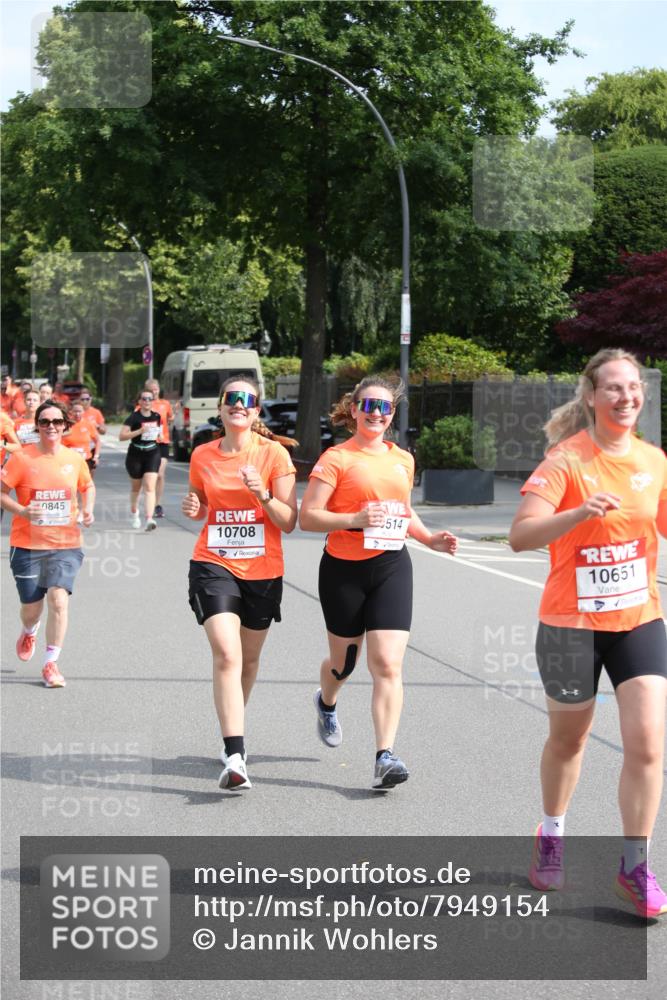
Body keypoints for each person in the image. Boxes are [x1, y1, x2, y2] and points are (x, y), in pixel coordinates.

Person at [509, 348, 667, 918]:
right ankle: (551, 833)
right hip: (569, 626)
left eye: (634, 386)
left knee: (648, 744)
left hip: (637, 619)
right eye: (614, 388)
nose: (626, 396)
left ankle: (635, 867)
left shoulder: (654, 460)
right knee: (570, 740)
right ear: (592, 396)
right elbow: (520, 536)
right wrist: (577, 514)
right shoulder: (566, 460)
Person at [299, 376, 458, 790]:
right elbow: (308, 517)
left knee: (387, 663)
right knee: (344, 664)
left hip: (391, 566)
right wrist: (353, 519)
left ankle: (384, 756)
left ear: (392, 414)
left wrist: (429, 539)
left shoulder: (402, 459)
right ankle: (326, 700)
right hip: (343, 569)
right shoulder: (336, 458)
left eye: (384, 407)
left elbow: (403, 510)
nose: (376, 413)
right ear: (354, 410)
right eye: (368, 405)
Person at [181, 376, 297, 790]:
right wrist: (194, 507)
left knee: (247, 662)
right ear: (220, 407)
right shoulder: (202, 455)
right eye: (232, 398)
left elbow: (289, 521)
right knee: (227, 655)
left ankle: (233, 729)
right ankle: (235, 753)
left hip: (262, 571)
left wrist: (262, 494)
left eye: (247, 399)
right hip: (213, 563)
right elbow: (201, 506)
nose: (239, 404)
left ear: (256, 409)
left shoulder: (273, 454)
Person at [1, 399, 95, 687]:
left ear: (65, 425)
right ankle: (29, 629)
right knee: (32, 608)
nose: (51, 426)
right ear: (37, 426)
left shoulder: (74, 459)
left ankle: (51, 663)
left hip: (65, 543)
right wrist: (22, 511)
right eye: (45, 422)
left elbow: (87, 486)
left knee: (58, 598)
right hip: (26, 544)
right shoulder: (21, 458)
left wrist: (88, 509)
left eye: (57, 421)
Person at [119, 391, 162, 531]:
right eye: (144, 398)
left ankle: (149, 518)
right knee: (136, 488)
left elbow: (159, 432)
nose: (147, 401)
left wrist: (159, 435)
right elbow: (122, 436)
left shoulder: (157, 416)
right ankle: (135, 513)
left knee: (150, 486)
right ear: (139, 401)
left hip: (152, 452)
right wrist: (139, 431)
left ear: (153, 401)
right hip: (135, 454)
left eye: (150, 398)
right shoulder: (133, 417)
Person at [140, 379, 173, 518]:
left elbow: (170, 418)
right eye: (151, 389)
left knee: (160, 474)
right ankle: (150, 500)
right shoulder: (143, 405)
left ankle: (157, 505)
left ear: (159, 390)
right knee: (149, 476)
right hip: (147, 443)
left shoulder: (165, 404)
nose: (154, 391)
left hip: (162, 442)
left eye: (156, 389)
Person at [64, 400, 98, 473]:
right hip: (69, 460)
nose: (77, 414)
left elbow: (97, 441)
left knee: (86, 479)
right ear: (71, 412)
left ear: (83, 412)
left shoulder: (88, 424)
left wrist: (96, 456)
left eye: (79, 411)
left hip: (86, 459)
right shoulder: (66, 425)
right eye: (75, 411)